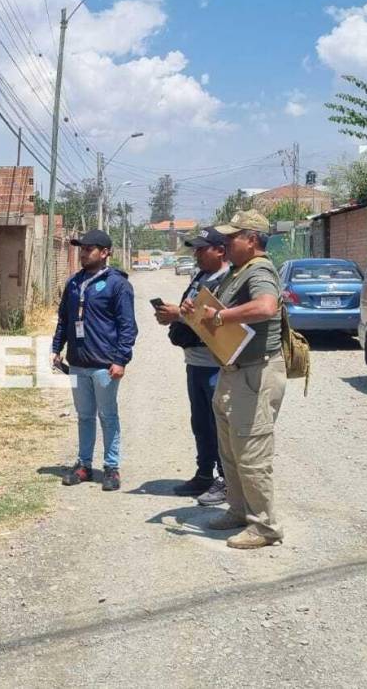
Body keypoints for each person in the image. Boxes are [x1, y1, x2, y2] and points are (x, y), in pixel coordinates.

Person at [186, 210, 287, 549]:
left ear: (252, 239)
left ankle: (265, 526)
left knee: (252, 451)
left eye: (233, 237)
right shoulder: (239, 272)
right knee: (229, 449)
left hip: (255, 374)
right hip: (233, 371)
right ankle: (240, 510)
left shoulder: (259, 270)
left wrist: (222, 315)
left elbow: (266, 307)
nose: (226, 243)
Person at [52, 229, 137, 492]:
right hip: (78, 363)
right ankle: (84, 465)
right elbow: (64, 319)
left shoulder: (117, 284)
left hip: (105, 365)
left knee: (107, 415)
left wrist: (121, 359)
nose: (84, 253)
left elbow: (127, 327)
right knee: (84, 416)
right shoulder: (74, 283)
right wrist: (57, 349)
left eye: (89, 249)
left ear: (105, 252)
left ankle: (111, 467)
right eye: (82, 248)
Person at [154, 227, 230, 504]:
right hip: (195, 361)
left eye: (201, 249)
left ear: (220, 250)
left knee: (217, 423)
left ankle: (226, 479)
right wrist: (173, 315)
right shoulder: (202, 276)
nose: (196, 254)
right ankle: (204, 475)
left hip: (216, 364)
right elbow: (191, 312)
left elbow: (218, 319)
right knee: (200, 423)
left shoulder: (230, 279)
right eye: (195, 249)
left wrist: (180, 315)